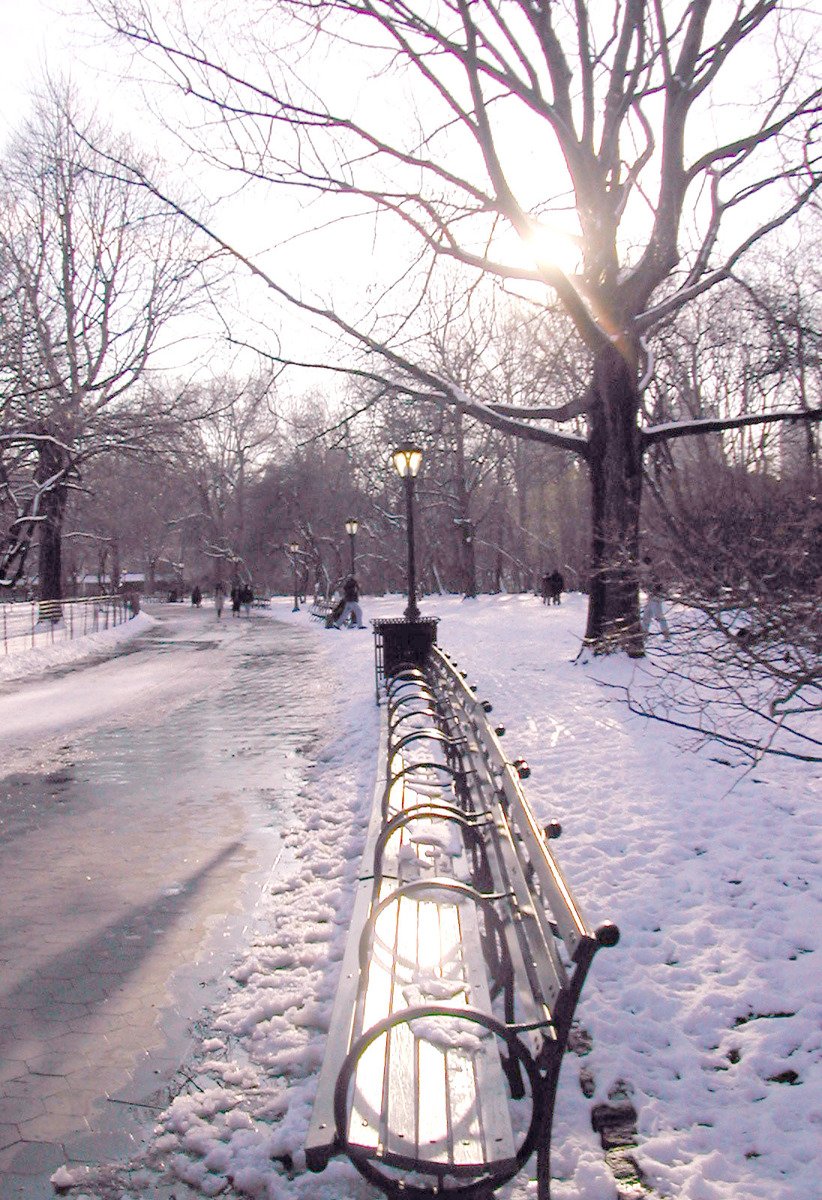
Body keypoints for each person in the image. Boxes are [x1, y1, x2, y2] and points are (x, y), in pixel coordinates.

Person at [640, 556, 670, 638]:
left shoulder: (652, 573)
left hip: (656, 596)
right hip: (651, 596)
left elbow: (658, 586)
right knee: (647, 615)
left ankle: (666, 634)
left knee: (658, 615)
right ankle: (644, 635)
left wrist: (653, 591)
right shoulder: (645, 573)